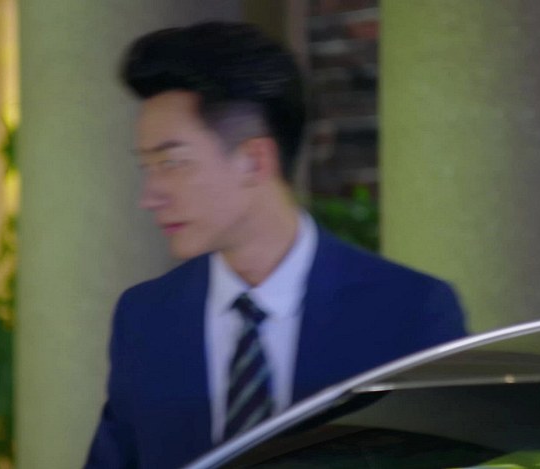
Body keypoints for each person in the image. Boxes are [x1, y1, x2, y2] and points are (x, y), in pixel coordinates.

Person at [85, 21, 467, 469]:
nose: (150, 196)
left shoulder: (410, 313)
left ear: (254, 159)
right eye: (146, 167)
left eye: (171, 163)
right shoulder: (146, 318)